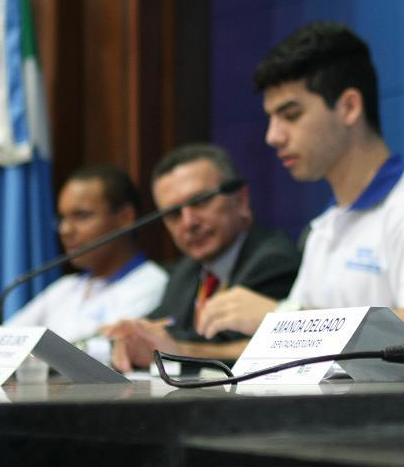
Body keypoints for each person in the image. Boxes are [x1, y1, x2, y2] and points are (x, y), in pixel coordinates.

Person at [194, 22, 404, 339]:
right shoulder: (324, 227)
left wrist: (282, 317)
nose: (272, 136)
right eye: (271, 119)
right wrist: (177, 351)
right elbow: (291, 344)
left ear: (349, 107)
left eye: (291, 115)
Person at [106, 143, 300, 371]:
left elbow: (238, 346)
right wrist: (132, 337)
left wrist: (172, 348)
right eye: (173, 214)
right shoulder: (187, 270)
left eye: (200, 202)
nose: (189, 223)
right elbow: (161, 326)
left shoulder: (273, 260)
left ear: (241, 200)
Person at [0, 165, 167, 362]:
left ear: (125, 218)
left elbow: (98, 351)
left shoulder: (151, 281)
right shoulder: (66, 286)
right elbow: (2, 340)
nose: (65, 230)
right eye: (62, 218)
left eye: (81, 216)